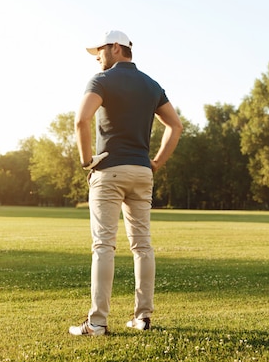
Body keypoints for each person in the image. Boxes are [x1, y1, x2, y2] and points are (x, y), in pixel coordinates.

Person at [69, 30, 183, 336]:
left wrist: (86, 161)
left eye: (100, 52)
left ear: (116, 48)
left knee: (104, 246)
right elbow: (175, 125)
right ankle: (142, 317)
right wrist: (156, 162)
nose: (97, 58)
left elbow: (81, 120)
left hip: (109, 171)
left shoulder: (101, 81)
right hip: (141, 173)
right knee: (142, 245)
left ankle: (96, 323)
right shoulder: (152, 84)